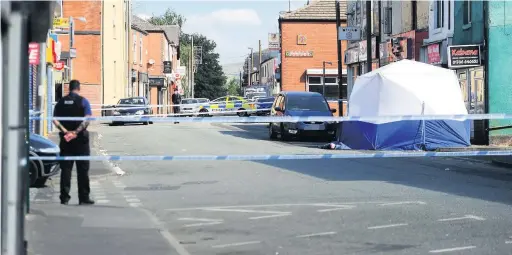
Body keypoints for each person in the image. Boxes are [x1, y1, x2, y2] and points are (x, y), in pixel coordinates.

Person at [52, 80, 95, 205]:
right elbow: (87, 119)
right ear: (79, 88)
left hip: (66, 141)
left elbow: (55, 120)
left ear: (69, 89)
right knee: (83, 170)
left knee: (66, 170)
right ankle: (84, 197)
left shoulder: (61, 102)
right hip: (80, 140)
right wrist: (75, 133)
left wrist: (66, 132)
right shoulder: (83, 101)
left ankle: (64, 198)